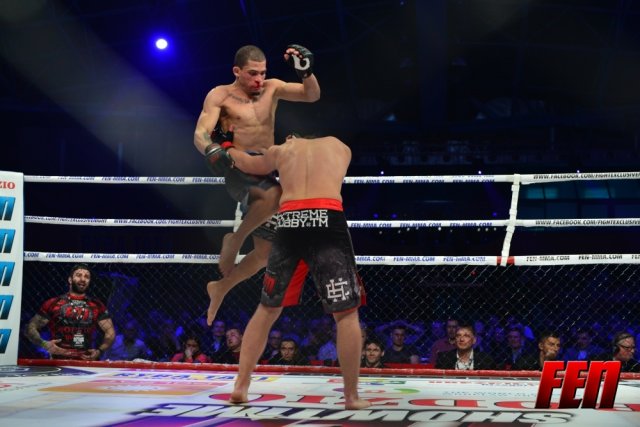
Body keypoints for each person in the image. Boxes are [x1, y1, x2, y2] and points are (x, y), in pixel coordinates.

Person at [219, 134, 370, 409]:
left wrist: (226, 146)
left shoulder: (283, 150)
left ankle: (241, 386)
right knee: (346, 313)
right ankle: (351, 396)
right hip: (327, 219)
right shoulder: (341, 147)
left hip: (290, 221)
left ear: (293, 136)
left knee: (267, 309)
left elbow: (246, 164)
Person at [194, 44, 321, 327]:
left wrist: (306, 73)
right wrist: (210, 149)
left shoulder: (272, 88)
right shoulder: (220, 95)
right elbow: (201, 133)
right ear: (237, 71)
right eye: (252, 73)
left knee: (264, 253)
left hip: (267, 169)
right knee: (274, 196)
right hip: (237, 166)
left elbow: (311, 95)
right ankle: (236, 239)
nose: (259, 79)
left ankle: (220, 288)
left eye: (263, 73)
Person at [24, 264, 115, 360]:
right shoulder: (54, 303)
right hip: (58, 361)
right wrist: (45, 344)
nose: (83, 279)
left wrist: (99, 351)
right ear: (70, 280)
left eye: (87, 277)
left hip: (85, 360)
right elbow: (30, 328)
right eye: (78, 275)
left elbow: (110, 332)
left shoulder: (97, 305)